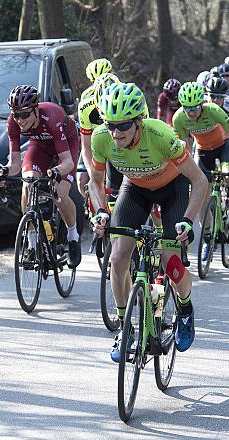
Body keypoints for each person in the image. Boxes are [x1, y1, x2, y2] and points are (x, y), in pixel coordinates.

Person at [88, 82, 208, 360]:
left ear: (138, 121)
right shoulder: (100, 139)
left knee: (170, 260)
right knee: (117, 259)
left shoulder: (161, 135)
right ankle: (125, 327)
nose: (116, 133)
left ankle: (186, 308)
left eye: (124, 126)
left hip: (172, 190)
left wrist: (188, 220)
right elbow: (94, 181)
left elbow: (200, 181)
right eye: (110, 125)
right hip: (135, 190)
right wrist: (100, 212)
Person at [1, 85, 81, 268]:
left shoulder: (51, 116)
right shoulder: (12, 123)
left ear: (36, 110)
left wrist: (56, 172)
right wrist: (4, 172)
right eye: (16, 114)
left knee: (59, 195)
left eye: (24, 114)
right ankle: (31, 242)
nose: (20, 120)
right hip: (40, 146)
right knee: (27, 183)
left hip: (67, 144)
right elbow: (14, 164)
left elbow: (67, 162)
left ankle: (72, 237)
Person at [172, 81, 229, 261]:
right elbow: (185, 147)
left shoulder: (214, 111)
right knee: (200, 197)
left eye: (195, 108)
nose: (191, 113)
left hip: (223, 147)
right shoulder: (179, 118)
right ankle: (207, 239)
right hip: (203, 152)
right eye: (187, 108)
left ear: (202, 104)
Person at [76, 58, 114, 196]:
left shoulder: (122, 91)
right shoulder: (86, 98)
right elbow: (86, 146)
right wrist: (93, 173)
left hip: (115, 139)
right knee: (82, 181)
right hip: (94, 140)